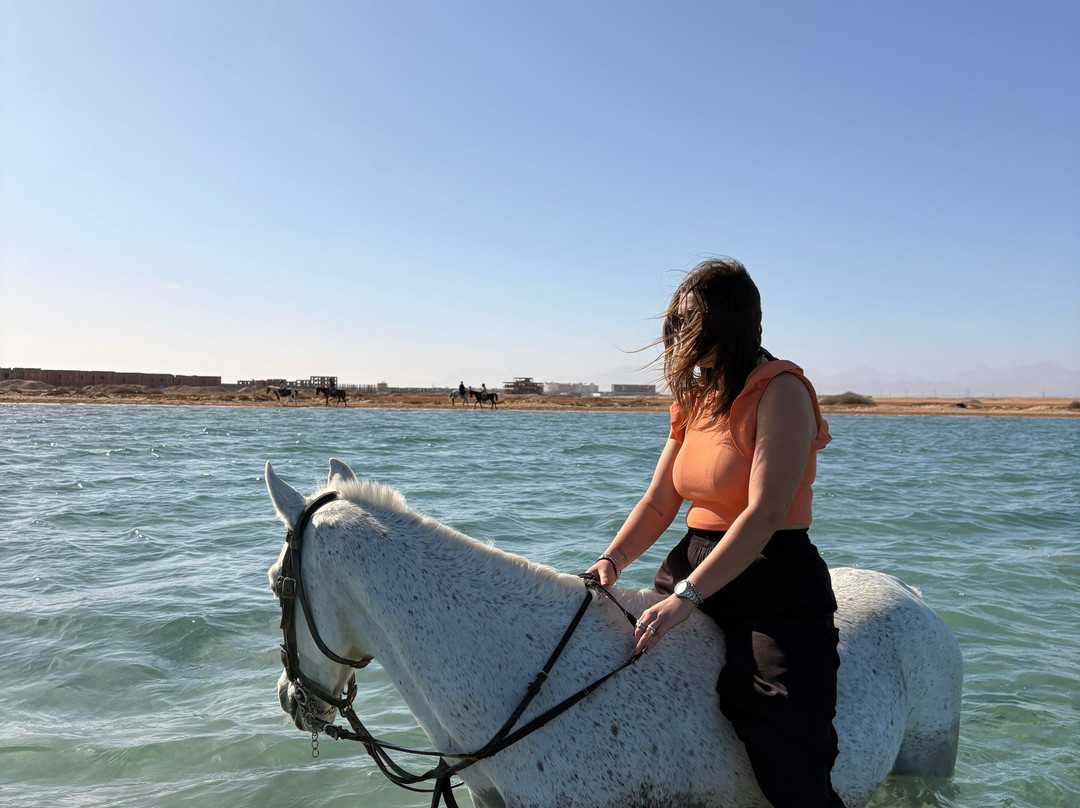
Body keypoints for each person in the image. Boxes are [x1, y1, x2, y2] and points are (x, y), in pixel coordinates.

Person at [585, 257, 843, 808]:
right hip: (692, 559)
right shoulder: (695, 398)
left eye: (691, 322)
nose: (679, 336)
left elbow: (765, 513)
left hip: (771, 575)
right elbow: (660, 501)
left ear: (730, 323)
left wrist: (686, 599)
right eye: (676, 322)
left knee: (782, 729)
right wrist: (611, 560)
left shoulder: (781, 390)